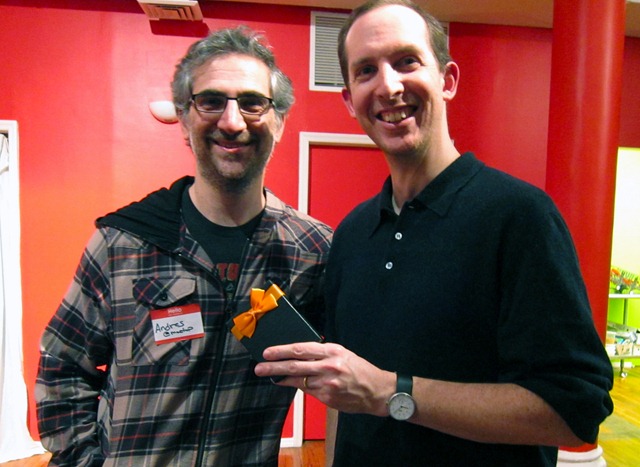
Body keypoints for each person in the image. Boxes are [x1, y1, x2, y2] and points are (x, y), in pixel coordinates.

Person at [253, 1, 614, 465]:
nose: (388, 86)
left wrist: (391, 393)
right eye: (366, 71)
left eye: (407, 61)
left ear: (447, 80)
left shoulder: (520, 217)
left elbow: (575, 410)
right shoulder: (352, 234)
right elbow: (346, 394)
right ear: (349, 100)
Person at [35, 26, 332, 466]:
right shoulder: (123, 242)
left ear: (280, 122)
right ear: (184, 118)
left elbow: (351, 371)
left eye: (252, 103)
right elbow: (62, 367)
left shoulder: (313, 251)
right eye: (211, 101)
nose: (232, 122)